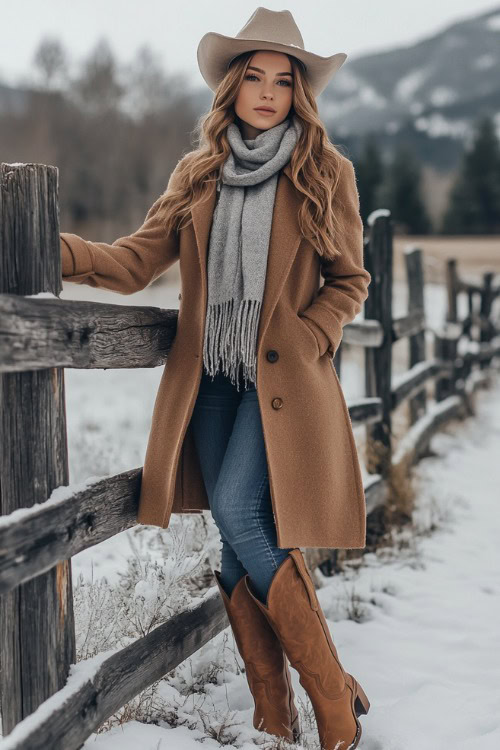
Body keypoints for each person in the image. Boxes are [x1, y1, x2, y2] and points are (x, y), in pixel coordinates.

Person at [61, 8, 372, 749]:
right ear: (232, 87)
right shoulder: (197, 173)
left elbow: (350, 279)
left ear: (299, 92)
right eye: (254, 77)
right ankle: (275, 715)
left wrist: (309, 334)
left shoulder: (324, 172)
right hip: (213, 381)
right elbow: (136, 261)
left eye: (283, 80)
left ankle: (331, 707)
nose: (267, 92)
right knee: (237, 542)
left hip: (285, 384)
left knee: (237, 509)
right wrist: (56, 248)